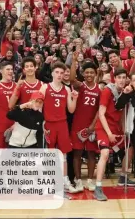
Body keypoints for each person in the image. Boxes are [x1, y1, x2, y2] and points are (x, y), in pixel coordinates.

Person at [94, 69, 135, 201]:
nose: (122, 80)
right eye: (119, 78)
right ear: (114, 79)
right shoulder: (107, 91)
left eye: (124, 77)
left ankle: (123, 177)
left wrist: (123, 131)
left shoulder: (125, 93)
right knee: (105, 154)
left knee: (130, 147)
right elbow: (101, 114)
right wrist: (109, 133)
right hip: (103, 128)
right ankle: (98, 187)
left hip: (116, 129)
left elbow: (122, 114)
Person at [39, 62, 79, 195]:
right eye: (57, 72)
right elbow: (38, 108)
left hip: (62, 124)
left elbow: (71, 110)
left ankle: (65, 181)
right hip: (49, 124)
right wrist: (42, 123)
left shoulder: (67, 90)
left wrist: (74, 98)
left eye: (62, 73)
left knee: (64, 155)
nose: (60, 75)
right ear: (52, 73)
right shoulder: (44, 88)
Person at [69, 52, 100, 192]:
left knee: (92, 154)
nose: (88, 75)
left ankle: (89, 180)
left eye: (91, 72)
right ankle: (78, 179)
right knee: (77, 153)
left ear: (95, 74)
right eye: (86, 72)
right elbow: (71, 78)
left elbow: (100, 110)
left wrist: (93, 125)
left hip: (92, 126)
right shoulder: (80, 85)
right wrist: (74, 60)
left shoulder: (100, 90)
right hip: (78, 124)